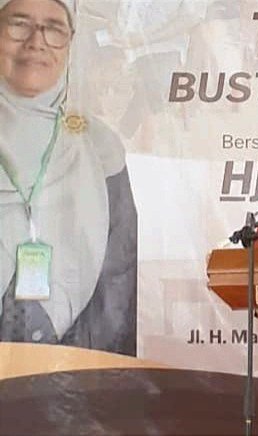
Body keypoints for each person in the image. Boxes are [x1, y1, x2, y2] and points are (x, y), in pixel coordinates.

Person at [0, 0, 137, 355]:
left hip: (73, 371)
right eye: (19, 23)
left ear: (71, 44)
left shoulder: (99, 147)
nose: (37, 41)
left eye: (54, 28)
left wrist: (76, 374)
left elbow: (117, 285)